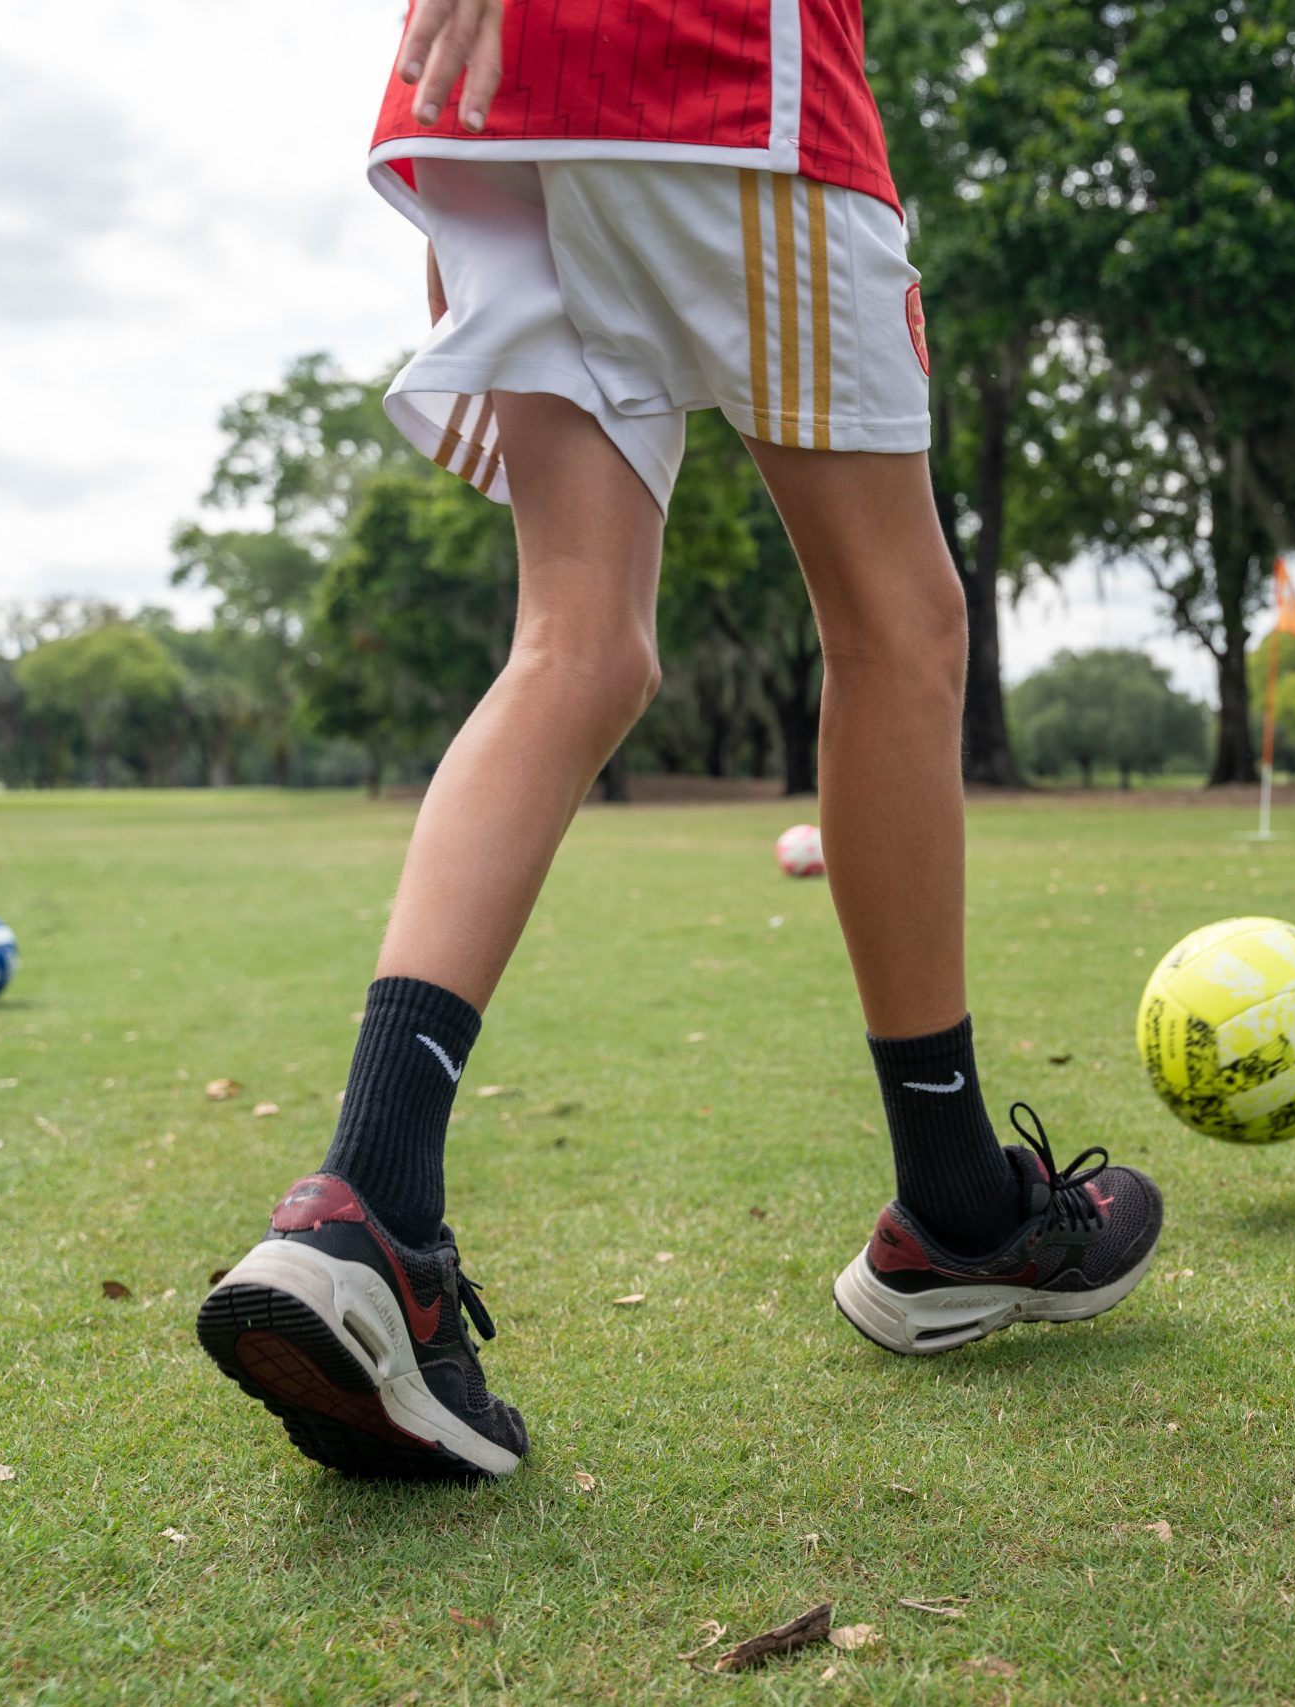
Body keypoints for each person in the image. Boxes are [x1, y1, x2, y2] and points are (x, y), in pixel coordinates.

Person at [195, 0, 1162, 1479]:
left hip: (492, 102)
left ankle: (365, 1210)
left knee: (575, 644)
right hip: (709, 71)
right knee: (899, 624)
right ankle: (958, 1209)